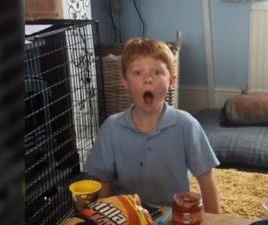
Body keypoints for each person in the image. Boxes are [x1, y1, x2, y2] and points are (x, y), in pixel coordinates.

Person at [84, 37, 220, 213]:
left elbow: (206, 180)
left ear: (171, 80)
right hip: (126, 214)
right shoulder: (111, 128)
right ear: (124, 81)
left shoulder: (187, 125)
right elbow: (104, 183)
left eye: (157, 72)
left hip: (174, 215)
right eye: (138, 73)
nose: (148, 79)